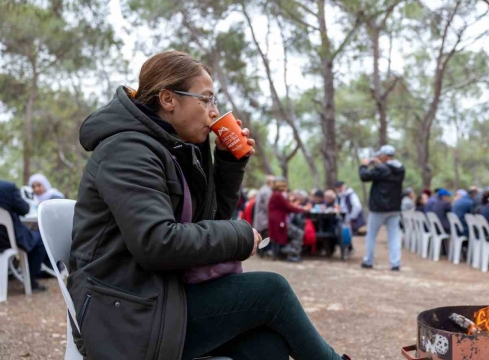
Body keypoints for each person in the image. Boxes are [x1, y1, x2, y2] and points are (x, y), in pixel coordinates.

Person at [67, 51, 349, 360]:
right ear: (168, 99)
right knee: (273, 290)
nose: (213, 113)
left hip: (160, 297)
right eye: (206, 100)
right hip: (124, 314)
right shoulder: (127, 150)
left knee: (267, 346)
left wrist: (229, 162)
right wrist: (240, 236)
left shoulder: (172, 147)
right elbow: (157, 243)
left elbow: (210, 220)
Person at [359, 144, 405, 271]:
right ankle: (395, 263)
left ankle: (368, 260)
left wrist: (364, 165)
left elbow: (364, 176)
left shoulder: (381, 168)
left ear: (384, 156)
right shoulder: (401, 169)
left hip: (378, 208)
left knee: (371, 235)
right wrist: (378, 163)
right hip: (394, 208)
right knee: (394, 236)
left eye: (380, 155)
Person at [0, 180, 48, 291]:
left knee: (30, 238)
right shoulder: (7, 187)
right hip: (7, 239)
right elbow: (24, 209)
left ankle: (12, 272)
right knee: (40, 240)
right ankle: (30, 281)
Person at [268, 177, 311, 262]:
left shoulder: (276, 194)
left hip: (277, 220)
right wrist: (303, 210)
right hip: (280, 221)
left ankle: (288, 251)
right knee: (299, 233)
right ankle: (291, 252)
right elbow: (287, 207)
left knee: (294, 233)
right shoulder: (278, 195)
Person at [253, 175, 274, 239]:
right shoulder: (267, 191)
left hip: (260, 217)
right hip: (263, 219)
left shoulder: (263, 189)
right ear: (270, 182)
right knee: (263, 239)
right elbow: (268, 206)